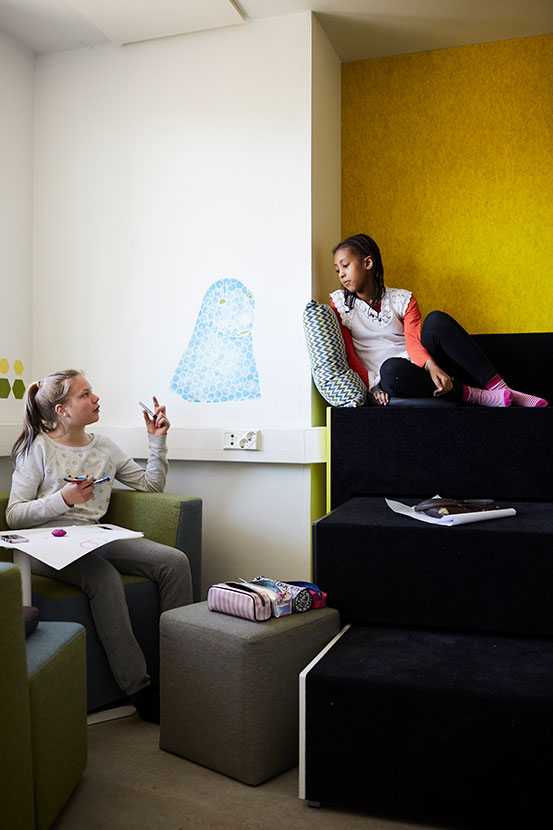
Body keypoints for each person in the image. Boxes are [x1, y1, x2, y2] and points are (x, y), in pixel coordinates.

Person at [7, 369, 193, 722]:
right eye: (85, 394)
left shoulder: (103, 447)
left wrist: (156, 440)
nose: (96, 398)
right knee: (103, 579)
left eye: (92, 392)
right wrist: (63, 498)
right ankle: (139, 688)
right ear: (61, 410)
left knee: (175, 562)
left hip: (95, 537)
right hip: (49, 545)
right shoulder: (37, 449)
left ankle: (179, 674)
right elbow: (15, 515)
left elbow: (151, 486)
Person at [330, 233, 548, 408]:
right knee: (391, 370)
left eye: (345, 265)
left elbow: (414, 342)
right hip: (390, 377)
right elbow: (349, 354)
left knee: (436, 321)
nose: (341, 274)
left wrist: (431, 366)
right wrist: (371, 388)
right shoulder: (340, 306)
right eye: (338, 270)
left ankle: (504, 391)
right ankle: (474, 395)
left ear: (368, 263)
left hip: (419, 364)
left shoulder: (402, 299)